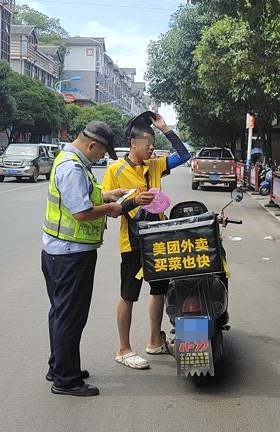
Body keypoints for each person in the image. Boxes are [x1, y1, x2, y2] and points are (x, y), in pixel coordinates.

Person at [41, 120, 128, 397]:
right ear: (92, 145)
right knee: (70, 317)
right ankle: (66, 380)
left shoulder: (69, 160)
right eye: (102, 152)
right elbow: (81, 213)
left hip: (60, 252)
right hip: (71, 255)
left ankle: (59, 366)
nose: (102, 157)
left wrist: (106, 194)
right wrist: (112, 208)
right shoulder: (73, 167)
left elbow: (81, 197)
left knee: (60, 313)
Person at [103, 111, 191, 370]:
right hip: (132, 240)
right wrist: (132, 201)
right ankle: (123, 349)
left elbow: (184, 156)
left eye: (154, 145)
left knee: (159, 289)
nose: (152, 149)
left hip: (158, 237)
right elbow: (106, 202)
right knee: (128, 294)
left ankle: (154, 341)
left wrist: (165, 129)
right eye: (147, 145)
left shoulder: (155, 165)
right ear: (133, 143)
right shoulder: (115, 170)